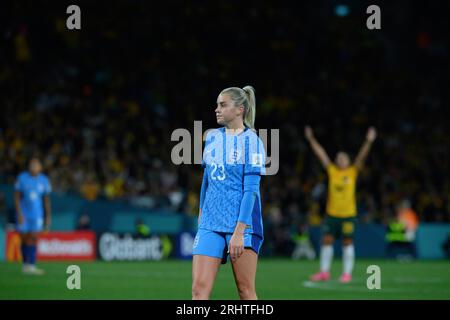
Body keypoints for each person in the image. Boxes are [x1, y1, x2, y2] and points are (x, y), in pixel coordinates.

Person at [192, 86, 266, 300]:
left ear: (239, 109)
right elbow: (207, 180)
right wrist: (201, 212)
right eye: (217, 105)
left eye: (223, 105)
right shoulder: (212, 138)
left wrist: (238, 232)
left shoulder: (252, 142)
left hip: (241, 226)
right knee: (199, 291)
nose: (217, 109)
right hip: (210, 223)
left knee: (245, 291)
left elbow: (251, 190)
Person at [305, 126, 376, 283]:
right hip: (332, 214)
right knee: (327, 241)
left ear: (348, 161)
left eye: (343, 158)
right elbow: (322, 155)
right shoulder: (332, 171)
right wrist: (311, 140)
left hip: (348, 215)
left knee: (347, 242)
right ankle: (324, 272)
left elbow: (362, 157)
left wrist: (368, 141)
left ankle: (346, 274)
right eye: (338, 158)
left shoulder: (352, 171)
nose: (340, 160)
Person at [14, 157, 52, 275]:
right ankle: (26, 264)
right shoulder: (22, 178)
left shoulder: (44, 180)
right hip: (24, 213)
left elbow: (46, 200)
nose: (34, 167)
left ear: (40, 167)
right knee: (24, 238)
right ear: (29, 166)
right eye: (32, 165)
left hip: (37, 215)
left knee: (34, 238)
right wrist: (19, 213)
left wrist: (48, 217)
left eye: (36, 165)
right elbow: (16, 197)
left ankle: (31, 265)